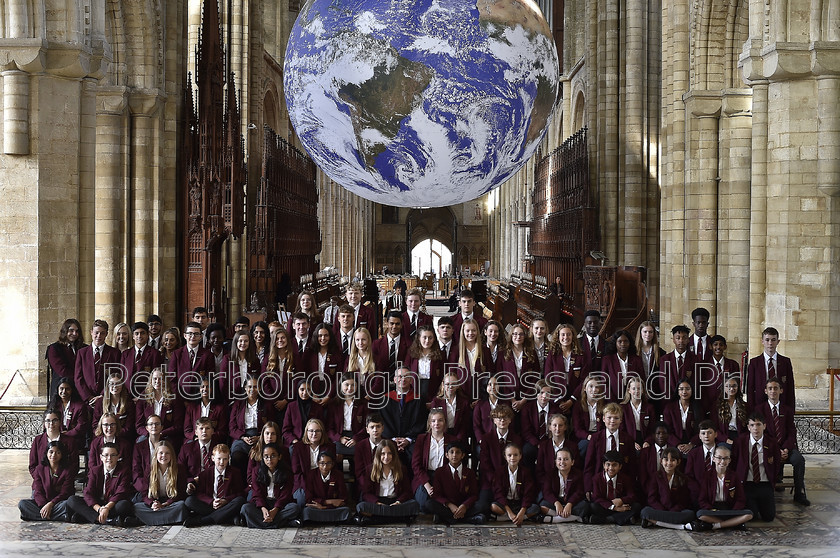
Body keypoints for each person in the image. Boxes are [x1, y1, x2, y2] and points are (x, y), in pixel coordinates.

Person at [758, 377, 810, 506]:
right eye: (770, 388)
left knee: (799, 460)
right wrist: (776, 450)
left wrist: (786, 449)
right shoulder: (760, 409)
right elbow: (761, 433)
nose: (773, 391)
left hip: (787, 448)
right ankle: (765, 492)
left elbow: (792, 432)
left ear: (781, 390)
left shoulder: (787, 410)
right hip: (769, 448)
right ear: (765, 391)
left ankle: (799, 493)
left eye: (776, 388)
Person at [66, 442, 135, 526]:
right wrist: (99, 509)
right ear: (101, 457)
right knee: (72, 500)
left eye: (113, 455)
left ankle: (87, 517)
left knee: (124, 505)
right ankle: (105, 520)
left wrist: (106, 508)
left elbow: (120, 493)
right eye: (106, 455)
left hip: (113, 504)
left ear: (118, 457)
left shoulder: (124, 471)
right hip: (97, 504)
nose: (109, 458)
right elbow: (88, 493)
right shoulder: (95, 471)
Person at [731, 412, 781, 522]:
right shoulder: (740, 442)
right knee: (751, 516)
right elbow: (734, 462)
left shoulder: (771, 442)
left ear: (764, 426)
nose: (755, 428)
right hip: (747, 484)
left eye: (758, 424)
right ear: (748, 427)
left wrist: (772, 480)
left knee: (769, 517)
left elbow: (777, 463)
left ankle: (762, 504)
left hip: (765, 483)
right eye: (752, 425)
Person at [355, 439, 420, 524]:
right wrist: (377, 503)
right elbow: (366, 493)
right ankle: (398, 519)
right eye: (383, 454)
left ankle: (376, 519)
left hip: (395, 503)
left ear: (394, 455)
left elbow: (407, 491)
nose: (386, 457)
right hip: (378, 503)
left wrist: (398, 502)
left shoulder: (401, 469)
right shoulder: (370, 470)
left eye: (389, 453)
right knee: (361, 507)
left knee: (414, 505)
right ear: (378, 455)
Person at [239, 442, 300, 528]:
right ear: (262, 458)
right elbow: (257, 493)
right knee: (245, 508)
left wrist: (275, 510)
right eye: (266, 456)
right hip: (264, 503)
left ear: (279, 457)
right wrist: (263, 508)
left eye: (273, 456)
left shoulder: (286, 472)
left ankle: (262, 523)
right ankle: (283, 523)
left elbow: (285, 495)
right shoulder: (257, 471)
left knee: (294, 508)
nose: (269, 459)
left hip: (280, 504)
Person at [694, 444, 754, 531]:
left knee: (749, 514)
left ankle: (717, 525)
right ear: (713, 459)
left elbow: (741, 498)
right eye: (719, 458)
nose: (722, 461)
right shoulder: (706, 476)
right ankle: (733, 524)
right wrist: (710, 509)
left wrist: (735, 511)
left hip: (730, 509)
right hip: (713, 509)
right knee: (701, 514)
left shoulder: (734, 476)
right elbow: (702, 499)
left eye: (725, 458)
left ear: (729, 460)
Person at [184, 444, 246, 527]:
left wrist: (225, 500)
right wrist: (211, 501)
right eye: (219, 459)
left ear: (229, 459)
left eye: (225, 459)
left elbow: (240, 493)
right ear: (213, 458)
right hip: (210, 505)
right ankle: (229, 518)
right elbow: (200, 493)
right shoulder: (205, 474)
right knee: (189, 501)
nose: (221, 462)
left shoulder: (235, 473)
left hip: (226, 505)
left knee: (240, 500)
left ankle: (203, 520)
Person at [426, 441, 485, 525]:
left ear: (462, 455)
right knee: (429, 504)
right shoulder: (439, 472)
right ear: (446, 455)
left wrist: (464, 506)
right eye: (451, 452)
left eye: (458, 452)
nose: (454, 455)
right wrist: (449, 505)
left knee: (482, 505)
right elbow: (437, 495)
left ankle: (448, 518)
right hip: (448, 506)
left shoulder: (470, 472)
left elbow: (474, 494)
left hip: (464, 505)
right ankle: (467, 519)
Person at [583, 402, 634, 495]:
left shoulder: (628, 439)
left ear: (621, 420)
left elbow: (632, 466)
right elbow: (589, 465)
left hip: (621, 485)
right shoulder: (595, 438)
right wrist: (588, 488)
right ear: (603, 419)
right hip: (599, 484)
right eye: (609, 417)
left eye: (616, 418)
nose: (612, 421)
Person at [477, 404, 520, 512]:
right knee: (482, 506)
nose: (502, 421)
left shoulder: (516, 439)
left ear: (510, 420)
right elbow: (484, 463)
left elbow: (517, 462)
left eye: (505, 418)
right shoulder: (486, 438)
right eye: (499, 418)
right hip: (490, 479)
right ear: (494, 421)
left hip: (509, 480)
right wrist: (494, 479)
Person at [133, 440, 188, 526]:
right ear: (156, 455)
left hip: (170, 502)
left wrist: (166, 504)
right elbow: (144, 492)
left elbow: (181, 493)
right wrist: (152, 503)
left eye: (167, 453)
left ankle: (148, 520)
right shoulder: (150, 469)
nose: (164, 456)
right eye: (161, 453)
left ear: (171, 455)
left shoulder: (179, 468)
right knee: (137, 507)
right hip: (156, 500)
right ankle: (169, 519)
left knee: (181, 506)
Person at [640, 447, 696, 530]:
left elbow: (684, 500)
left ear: (678, 462)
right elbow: (652, 499)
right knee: (645, 511)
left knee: (690, 514)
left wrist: (673, 511)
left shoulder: (683, 478)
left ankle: (656, 522)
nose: (669, 463)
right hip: (660, 510)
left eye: (673, 460)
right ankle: (680, 526)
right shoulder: (656, 476)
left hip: (675, 512)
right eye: (666, 460)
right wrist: (662, 510)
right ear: (661, 461)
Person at [19, 440, 74, 522]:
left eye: (58, 452)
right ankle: (56, 516)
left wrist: (51, 504)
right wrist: (44, 506)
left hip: (58, 502)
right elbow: (38, 490)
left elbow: (65, 493)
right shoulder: (39, 469)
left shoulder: (67, 470)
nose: (54, 455)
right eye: (51, 452)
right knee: (22, 504)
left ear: (62, 454)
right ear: (47, 453)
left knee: (69, 504)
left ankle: (40, 516)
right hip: (43, 503)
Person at [381, 367, 428, 461]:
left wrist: (408, 439)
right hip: (391, 440)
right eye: (399, 376)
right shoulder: (385, 399)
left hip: (412, 441)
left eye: (406, 376)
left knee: (415, 456)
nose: (403, 379)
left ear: (411, 380)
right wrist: (394, 439)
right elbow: (383, 422)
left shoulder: (418, 399)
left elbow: (420, 422)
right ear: (394, 380)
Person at [230, 375, 274, 474]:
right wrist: (243, 437)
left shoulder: (267, 404)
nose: (252, 389)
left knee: (262, 457)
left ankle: (256, 483)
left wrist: (260, 437)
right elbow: (232, 428)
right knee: (237, 456)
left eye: (255, 387)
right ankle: (240, 484)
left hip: (261, 437)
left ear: (259, 388)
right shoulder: (238, 404)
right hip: (242, 437)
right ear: (245, 388)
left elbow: (272, 425)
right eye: (249, 387)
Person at [411, 408, 451, 512]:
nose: (436, 423)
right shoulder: (421, 439)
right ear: (429, 423)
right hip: (425, 476)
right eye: (433, 421)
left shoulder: (452, 440)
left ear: (445, 422)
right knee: (422, 506)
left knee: (445, 501)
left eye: (440, 420)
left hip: (444, 477)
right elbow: (416, 465)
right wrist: (427, 485)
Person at [489, 442, 539, 526]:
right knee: (493, 506)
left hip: (520, 504)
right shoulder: (499, 472)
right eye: (509, 455)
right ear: (505, 457)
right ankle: (517, 518)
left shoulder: (525, 472)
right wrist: (509, 512)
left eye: (516, 455)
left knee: (536, 508)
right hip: (505, 505)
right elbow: (498, 493)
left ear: (520, 456)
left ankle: (504, 518)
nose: (513, 458)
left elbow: (528, 493)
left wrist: (522, 511)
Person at [746, 326, 796, 409]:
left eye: (773, 340)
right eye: (767, 340)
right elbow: (750, 390)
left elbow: (790, 388)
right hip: (759, 406)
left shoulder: (785, 362)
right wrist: (751, 411)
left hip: (781, 406)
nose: (770, 343)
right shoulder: (754, 363)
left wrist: (791, 410)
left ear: (778, 341)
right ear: (762, 341)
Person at [74, 319, 121, 405]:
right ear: (91, 332)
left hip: (106, 399)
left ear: (106, 334)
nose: (99, 336)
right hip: (86, 400)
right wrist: (88, 397)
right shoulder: (82, 353)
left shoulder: (114, 353)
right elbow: (78, 378)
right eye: (96, 332)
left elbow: (115, 376)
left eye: (102, 333)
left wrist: (102, 395)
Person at [588, 450, 640, 525]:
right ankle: (623, 518)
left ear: (620, 466)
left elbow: (632, 495)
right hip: (606, 506)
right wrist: (614, 508)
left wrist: (621, 500)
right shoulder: (597, 478)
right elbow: (597, 497)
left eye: (614, 465)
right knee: (593, 506)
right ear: (603, 465)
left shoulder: (625, 478)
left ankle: (607, 519)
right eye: (608, 464)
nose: (611, 468)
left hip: (621, 505)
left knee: (636, 506)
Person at [135, 367, 183, 447]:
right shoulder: (143, 398)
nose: (157, 381)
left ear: (166, 381)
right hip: (148, 434)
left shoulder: (174, 398)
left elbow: (178, 425)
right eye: (155, 379)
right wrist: (150, 433)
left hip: (167, 435)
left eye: (161, 379)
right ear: (151, 381)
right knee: (140, 443)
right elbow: (139, 426)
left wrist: (161, 433)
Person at [545, 323, 588, 412]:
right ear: (558, 337)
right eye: (563, 335)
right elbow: (548, 378)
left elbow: (584, 380)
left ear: (573, 336)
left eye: (568, 334)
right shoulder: (552, 355)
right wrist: (559, 400)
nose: (566, 337)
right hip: (556, 399)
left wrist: (572, 400)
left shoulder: (581, 355)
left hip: (576, 398)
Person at [497, 323, 540, 411]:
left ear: (525, 336)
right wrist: (512, 399)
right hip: (508, 399)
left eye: (521, 334)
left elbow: (535, 378)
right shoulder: (503, 353)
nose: (518, 336)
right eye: (515, 334)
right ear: (511, 336)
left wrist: (523, 400)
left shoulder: (531, 353)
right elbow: (500, 378)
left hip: (527, 399)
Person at [540, 447, 587, 523]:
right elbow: (547, 491)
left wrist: (570, 504)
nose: (562, 462)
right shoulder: (550, 474)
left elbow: (579, 492)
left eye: (566, 459)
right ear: (555, 461)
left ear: (572, 462)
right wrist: (556, 503)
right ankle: (575, 518)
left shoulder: (578, 474)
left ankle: (556, 518)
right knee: (543, 505)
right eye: (559, 459)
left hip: (571, 502)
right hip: (556, 502)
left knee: (584, 506)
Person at [301, 451, 351, 524]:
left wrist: (324, 507)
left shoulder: (338, 475)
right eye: (322, 463)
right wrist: (326, 502)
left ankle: (320, 520)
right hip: (317, 507)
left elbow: (343, 499)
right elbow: (309, 499)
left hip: (332, 508)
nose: (325, 467)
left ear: (333, 464)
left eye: (328, 463)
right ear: (318, 463)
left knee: (346, 510)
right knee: (307, 511)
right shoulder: (311, 474)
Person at [168, 321, 214, 399]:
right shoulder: (177, 354)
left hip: (199, 398)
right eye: (190, 334)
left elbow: (209, 378)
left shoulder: (207, 355)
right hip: (180, 398)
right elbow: (172, 379)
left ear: (201, 336)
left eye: (196, 334)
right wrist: (179, 398)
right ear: (185, 335)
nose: (192, 336)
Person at [327, 373, 367, 461]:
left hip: (357, 436)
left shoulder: (363, 404)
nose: (350, 388)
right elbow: (329, 428)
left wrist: (356, 439)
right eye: (346, 385)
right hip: (339, 436)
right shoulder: (333, 404)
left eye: (353, 385)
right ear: (341, 385)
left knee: (360, 455)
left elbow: (366, 426)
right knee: (336, 455)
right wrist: (339, 438)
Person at [291, 419, 330, 506]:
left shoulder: (329, 447)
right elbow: (296, 471)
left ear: (322, 432)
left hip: (321, 482)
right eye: (311, 431)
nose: (314, 434)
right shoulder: (298, 447)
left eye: (317, 431)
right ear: (306, 432)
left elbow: (329, 469)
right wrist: (306, 488)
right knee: (302, 499)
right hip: (303, 482)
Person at [520, 380, 560, 465]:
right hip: (533, 441)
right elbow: (526, 432)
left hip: (550, 441)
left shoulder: (556, 409)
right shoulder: (527, 409)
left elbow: (557, 430)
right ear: (536, 394)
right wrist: (538, 445)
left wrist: (549, 444)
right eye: (541, 392)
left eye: (548, 393)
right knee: (527, 451)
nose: (544, 396)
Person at [45, 318, 84, 403]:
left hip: (79, 392)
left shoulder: (84, 348)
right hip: (61, 392)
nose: (74, 334)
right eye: (71, 330)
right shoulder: (54, 348)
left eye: (77, 331)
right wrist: (80, 378)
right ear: (65, 331)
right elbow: (62, 371)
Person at [662, 379, 705, 454]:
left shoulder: (698, 407)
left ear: (692, 390)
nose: (684, 392)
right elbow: (667, 430)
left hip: (693, 442)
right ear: (678, 391)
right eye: (681, 389)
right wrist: (677, 445)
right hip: (674, 442)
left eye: (687, 389)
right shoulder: (669, 408)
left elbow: (701, 429)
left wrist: (691, 444)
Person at [602, 329, 645, 402]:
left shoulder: (637, 360)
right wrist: (611, 399)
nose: (623, 344)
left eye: (626, 341)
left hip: (633, 399)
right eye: (620, 341)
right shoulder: (607, 360)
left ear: (630, 343)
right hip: (613, 399)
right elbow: (604, 382)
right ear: (615, 343)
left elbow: (641, 379)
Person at [305, 324, 345, 404]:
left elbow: (339, 377)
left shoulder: (337, 354)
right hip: (312, 392)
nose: (323, 338)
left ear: (330, 337)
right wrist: (311, 393)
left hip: (331, 392)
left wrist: (329, 396)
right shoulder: (309, 353)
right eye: (320, 335)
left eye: (326, 335)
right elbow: (305, 374)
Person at [121, 321, 163, 396]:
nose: (139, 336)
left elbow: (155, 377)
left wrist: (143, 395)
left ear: (147, 335)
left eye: (142, 333)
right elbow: (122, 376)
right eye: (136, 333)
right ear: (133, 336)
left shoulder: (154, 354)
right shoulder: (125, 354)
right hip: (127, 396)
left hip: (146, 396)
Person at [656, 325, 697, 403]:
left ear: (688, 340)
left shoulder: (695, 359)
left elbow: (696, 382)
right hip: (669, 401)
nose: (681, 341)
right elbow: (663, 383)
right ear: (673, 340)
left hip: (689, 401)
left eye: (684, 338)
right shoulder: (664, 359)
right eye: (678, 338)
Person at [405, 325, 445, 403]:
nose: (427, 341)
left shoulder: (440, 354)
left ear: (434, 339)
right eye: (424, 337)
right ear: (419, 338)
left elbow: (442, 376)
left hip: (433, 391)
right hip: (414, 391)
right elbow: (407, 373)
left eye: (430, 338)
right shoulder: (411, 354)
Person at [47, 377, 89, 453]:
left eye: (67, 389)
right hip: (56, 437)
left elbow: (81, 427)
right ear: (57, 389)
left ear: (72, 390)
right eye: (61, 388)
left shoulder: (80, 406)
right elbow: (47, 422)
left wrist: (66, 435)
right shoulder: (53, 405)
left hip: (74, 438)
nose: (64, 391)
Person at [92, 371, 136, 442]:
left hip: (122, 439)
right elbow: (95, 424)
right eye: (112, 384)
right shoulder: (100, 402)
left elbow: (129, 427)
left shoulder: (129, 403)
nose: (115, 386)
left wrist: (113, 434)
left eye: (118, 383)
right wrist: (107, 435)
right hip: (103, 438)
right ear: (108, 386)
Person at [345, 327, 387, 401]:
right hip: (353, 397)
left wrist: (369, 396)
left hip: (371, 398)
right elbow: (345, 379)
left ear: (368, 340)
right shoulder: (349, 359)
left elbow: (379, 381)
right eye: (357, 340)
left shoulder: (376, 359)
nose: (360, 343)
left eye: (363, 339)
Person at [282, 379, 325, 449]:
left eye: (308, 390)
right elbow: (285, 431)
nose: (305, 392)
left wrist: (313, 441)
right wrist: (294, 441)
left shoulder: (318, 407)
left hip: (313, 441)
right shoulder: (291, 406)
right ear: (298, 390)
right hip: (295, 442)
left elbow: (322, 428)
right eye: (302, 389)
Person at [183, 376, 228, 442]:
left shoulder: (220, 408)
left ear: (213, 389)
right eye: (202, 387)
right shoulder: (191, 407)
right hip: (195, 439)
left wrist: (207, 438)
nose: (205, 389)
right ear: (199, 389)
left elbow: (222, 431)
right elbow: (187, 430)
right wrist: (197, 437)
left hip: (213, 440)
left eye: (208, 387)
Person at [430, 373, 472, 443]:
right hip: (441, 435)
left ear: (458, 385)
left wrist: (458, 439)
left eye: (453, 384)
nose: (450, 386)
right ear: (443, 385)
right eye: (447, 384)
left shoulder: (464, 402)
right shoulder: (436, 401)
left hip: (459, 435)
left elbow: (465, 424)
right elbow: (433, 422)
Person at [536, 413, 580, 481]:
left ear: (565, 427)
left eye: (560, 425)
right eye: (554, 425)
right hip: (547, 484)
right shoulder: (543, 446)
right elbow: (539, 470)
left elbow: (577, 468)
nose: (557, 428)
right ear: (550, 427)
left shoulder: (573, 446)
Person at [264, 327, 297, 413]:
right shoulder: (268, 358)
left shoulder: (295, 357)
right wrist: (273, 399)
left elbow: (297, 380)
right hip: (272, 402)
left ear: (287, 339)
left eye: (283, 337)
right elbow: (264, 381)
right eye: (277, 338)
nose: (280, 340)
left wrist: (286, 400)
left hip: (290, 402)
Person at [571, 375, 605, 457]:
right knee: (586, 446)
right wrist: (588, 436)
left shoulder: (604, 404)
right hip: (584, 436)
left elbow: (605, 425)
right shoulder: (578, 405)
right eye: (591, 386)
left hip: (600, 435)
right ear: (584, 388)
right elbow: (577, 429)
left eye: (597, 387)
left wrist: (598, 436)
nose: (594, 390)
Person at [220, 330, 261, 397]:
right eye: (240, 341)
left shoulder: (255, 360)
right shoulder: (227, 359)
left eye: (246, 341)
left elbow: (258, 379)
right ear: (236, 342)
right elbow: (223, 382)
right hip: (232, 397)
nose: (243, 343)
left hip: (250, 396)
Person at [621, 376, 656, 450]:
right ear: (629, 390)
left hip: (645, 441)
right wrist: (631, 443)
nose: (637, 391)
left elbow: (652, 429)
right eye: (634, 388)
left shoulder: (649, 408)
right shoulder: (623, 408)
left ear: (643, 390)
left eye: (639, 388)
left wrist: (647, 441)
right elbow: (621, 430)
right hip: (628, 441)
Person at [373, 310, 411, 376]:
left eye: (397, 324)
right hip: (381, 381)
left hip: (401, 382)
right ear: (387, 323)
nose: (394, 326)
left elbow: (408, 365)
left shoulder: (409, 344)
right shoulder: (376, 344)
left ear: (402, 324)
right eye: (392, 323)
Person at [472, 374, 504, 448]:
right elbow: (476, 426)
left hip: (502, 439)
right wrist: (481, 440)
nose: (493, 387)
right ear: (485, 387)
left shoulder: (505, 403)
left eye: (495, 384)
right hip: (485, 439)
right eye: (489, 384)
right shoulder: (480, 405)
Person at [354, 414, 385, 488]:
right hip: (366, 485)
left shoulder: (390, 444)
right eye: (372, 427)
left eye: (378, 426)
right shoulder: (360, 446)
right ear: (367, 430)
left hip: (386, 483)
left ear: (383, 428)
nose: (375, 430)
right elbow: (359, 472)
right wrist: (367, 487)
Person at [714, 375, 747, 444]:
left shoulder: (745, 405)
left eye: (734, 386)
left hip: (740, 437)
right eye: (728, 386)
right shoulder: (717, 406)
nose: (731, 389)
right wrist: (726, 440)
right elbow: (714, 428)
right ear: (723, 388)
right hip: (723, 438)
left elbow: (748, 426)